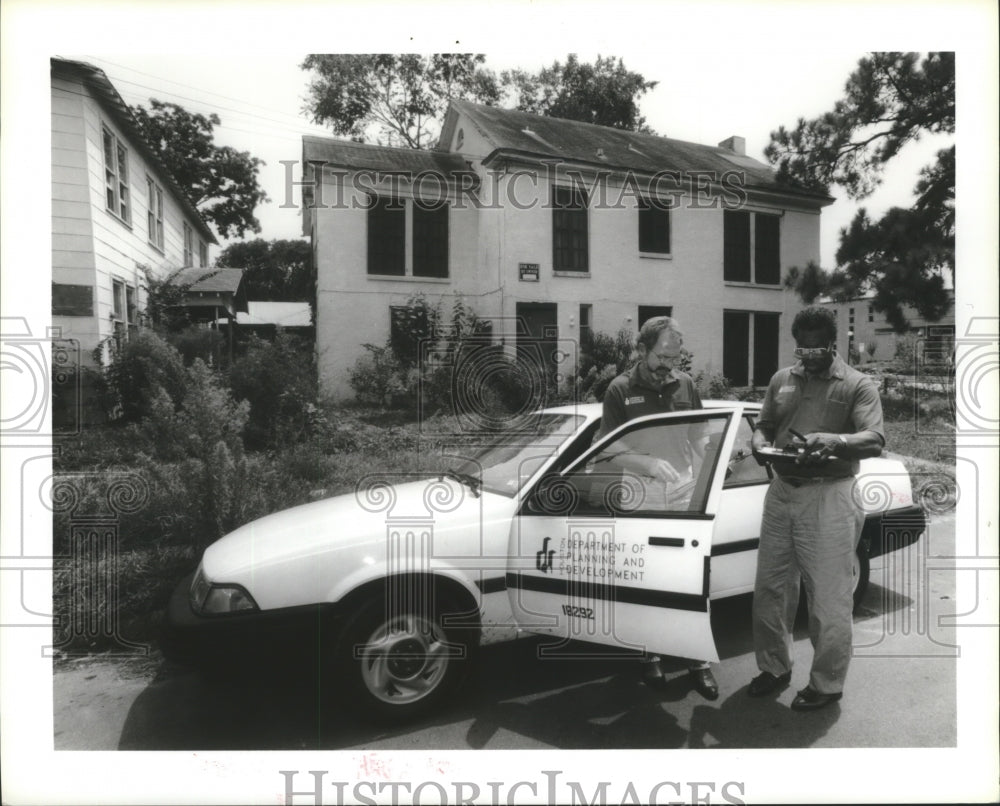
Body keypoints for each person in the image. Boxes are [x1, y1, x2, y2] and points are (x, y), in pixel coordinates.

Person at [748, 306, 885, 711]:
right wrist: (759, 442)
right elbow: (765, 425)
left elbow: (874, 439)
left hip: (830, 496)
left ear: (831, 343)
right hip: (781, 492)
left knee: (827, 598)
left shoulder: (857, 384)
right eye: (801, 350)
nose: (807, 357)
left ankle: (827, 684)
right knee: (771, 589)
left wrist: (834, 440)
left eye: (816, 349)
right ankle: (774, 667)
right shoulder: (781, 380)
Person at [599, 316, 718, 701]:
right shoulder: (620, 389)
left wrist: (713, 459)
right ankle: (649, 655)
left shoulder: (686, 384)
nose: (669, 364)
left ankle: (697, 660)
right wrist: (646, 464)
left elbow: (699, 434)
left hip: (683, 489)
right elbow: (607, 447)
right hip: (640, 491)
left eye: (675, 357)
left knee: (689, 577)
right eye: (662, 356)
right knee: (646, 578)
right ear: (642, 349)